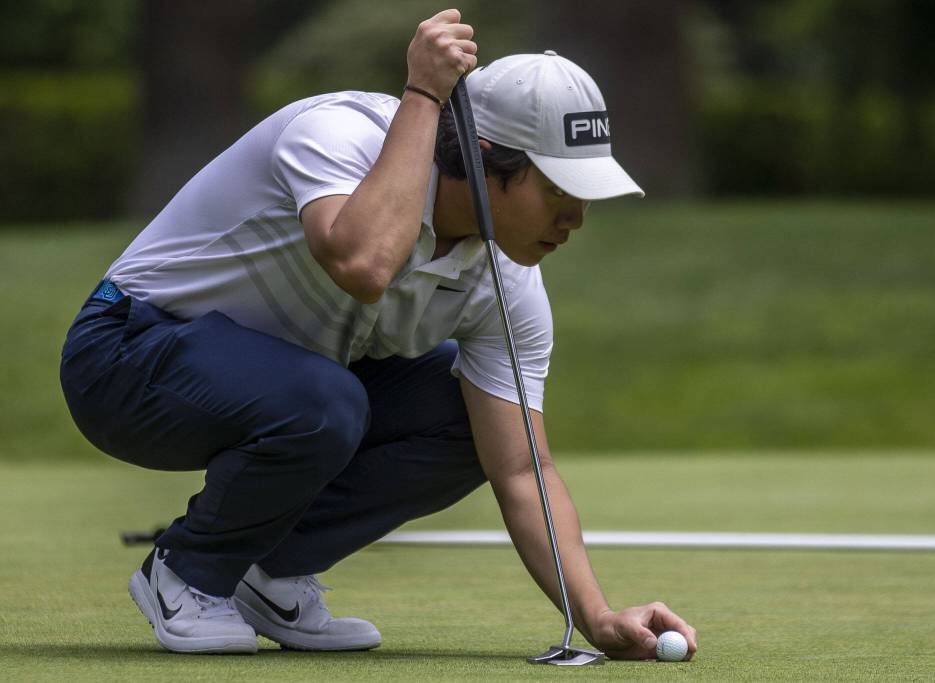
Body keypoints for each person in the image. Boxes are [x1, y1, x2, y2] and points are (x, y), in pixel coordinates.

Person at [59, 9, 697, 659]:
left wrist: (596, 615)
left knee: (467, 416)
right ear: (482, 163)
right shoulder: (339, 135)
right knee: (327, 399)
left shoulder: (506, 281)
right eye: (561, 187)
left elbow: (521, 468)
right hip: (123, 356)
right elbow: (364, 263)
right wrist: (424, 92)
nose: (577, 217)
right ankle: (189, 570)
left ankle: (268, 571)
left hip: (287, 380)